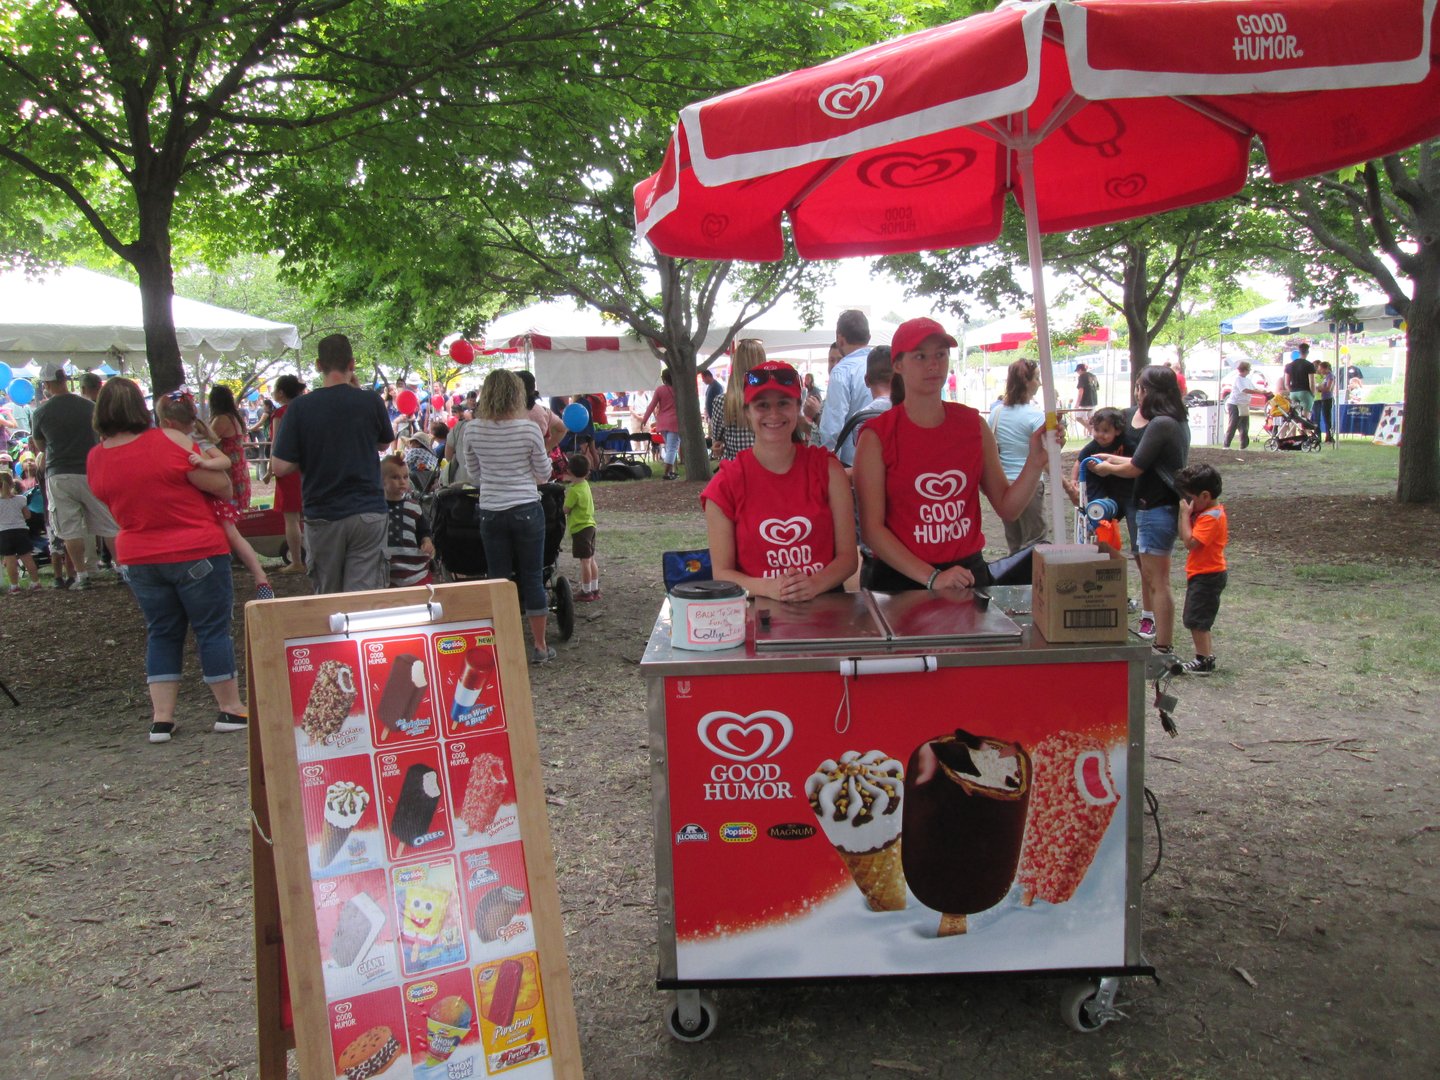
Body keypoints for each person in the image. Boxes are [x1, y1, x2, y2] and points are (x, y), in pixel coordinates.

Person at [87, 378, 247, 743]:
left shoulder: (96, 456)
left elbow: (104, 498)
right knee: (211, 628)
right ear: (140, 409)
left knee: (161, 631)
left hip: (138, 555)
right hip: (195, 549)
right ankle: (230, 708)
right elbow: (221, 485)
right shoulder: (168, 439)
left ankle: (162, 719)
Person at [854, 318, 1058, 592]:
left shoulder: (973, 425)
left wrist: (1035, 463)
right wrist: (932, 577)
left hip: (967, 575)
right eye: (920, 356)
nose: (933, 364)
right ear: (898, 365)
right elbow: (872, 530)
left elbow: (1008, 507)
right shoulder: (876, 435)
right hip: (901, 582)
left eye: (940, 354)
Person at [702, 360, 857, 601]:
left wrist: (815, 583)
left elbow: (848, 558)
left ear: (798, 407)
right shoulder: (726, 483)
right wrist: (769, 588)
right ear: (747, 412)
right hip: (758, 611)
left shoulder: (827, 469)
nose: (773, 414)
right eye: (762, 405)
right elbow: (722, 573)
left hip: (826, 607)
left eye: (783, 403)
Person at [271, 333, 395, 594]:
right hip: (367, 511)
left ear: (318, 365)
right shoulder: (370, 400)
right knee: (363, 598)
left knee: (329, 597)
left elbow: (279, 467)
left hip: (323, 512)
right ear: (352, 364)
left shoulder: (300, 408)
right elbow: (384, 444)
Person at [1088, 365, 1190, 654]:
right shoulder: (1172, 421)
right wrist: (1106, 456)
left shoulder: (1162, 424)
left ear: (1150, 391)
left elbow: (1135, 468)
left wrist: (1106, 467)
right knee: (1151, 578)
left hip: (1157, 509)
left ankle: (1163, 646)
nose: (1138, 394)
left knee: (1157, 581)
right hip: (1154, 508)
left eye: (1141, 388)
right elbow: (1140, 460)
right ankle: (1161, 641)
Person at [463, 369, 556, 665]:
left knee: (498, 578)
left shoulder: (473, 429)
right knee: (532, 577)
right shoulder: (528, 429)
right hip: (526, 507)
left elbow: (474, 474)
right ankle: (540, 646)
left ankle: (503, 644)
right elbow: (544, 473)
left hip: (491, 509)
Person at [156, 390, 274, 600]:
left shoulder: (196, 438)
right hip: (195, 498)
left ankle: (260, 577)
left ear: (167, 422)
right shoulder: (177, 438)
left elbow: (224, 461)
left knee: (233, 534)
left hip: (211, 497)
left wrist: (204, 463)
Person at [29, 361, 119, 588]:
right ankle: (122, 568)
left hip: (59, 473)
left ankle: (82, 575)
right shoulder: (89, 407)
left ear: (48, 384)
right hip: (90, 470)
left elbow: (40, 446)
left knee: (69, 528)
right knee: (107, 523)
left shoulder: (40, 412)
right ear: (65, 380)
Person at [988, 358, 1048, 554]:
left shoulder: (996, 413)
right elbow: (1044, 457)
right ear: (1026, 381)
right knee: (1036, 541)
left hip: (1006, 486)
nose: (1039, 382)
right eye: (1037, 377)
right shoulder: (1036, 415)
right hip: (1030, 485)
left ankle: (1014, 582)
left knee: (1014, 543)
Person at [1174, 463, 1228, 676]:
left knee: (1197, 619)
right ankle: (1204, 656)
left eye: (1191, 498)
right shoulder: (1208, 513)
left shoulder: (1210, 517)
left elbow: (1190, 541)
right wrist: (1185, 517)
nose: (1188, 503)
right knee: (1197, 617)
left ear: (1205, 496)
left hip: (1208, 574)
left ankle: (1204, 659)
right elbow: (1183, 536)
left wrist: (1185, 516)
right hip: (1202, 573)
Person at [1068, 407, 1132, 555]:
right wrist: (1073, 480)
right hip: (1096, 485)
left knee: (1112, 511)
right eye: (1096, 430)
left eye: (1105, 431)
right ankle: (1095, 532)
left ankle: (1107, 537)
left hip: (1117, 485)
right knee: (1096, 510)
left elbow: (1135, 461)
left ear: (1117, 431)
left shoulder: (1125, 443)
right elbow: (1079, 462)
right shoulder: (1092, 447)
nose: (1099, 435)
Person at [819, 309, 873, 465]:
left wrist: (829, 467)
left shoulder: (842, 371)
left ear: (840, 339)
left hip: (852, 463)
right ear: (868, 338)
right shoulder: (883, 365)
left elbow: (832, 429)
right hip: (887, 458)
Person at [267, 375, 307, 573]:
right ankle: (312, 557)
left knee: (291, 518)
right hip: (307, 467)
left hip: (287, 467)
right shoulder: (306, 409)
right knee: (308, 515)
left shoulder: (280, 413)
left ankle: (297, 561)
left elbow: (276, 445)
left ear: (281, 392)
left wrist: (270, 468)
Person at [381, 455, 434, 587]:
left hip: (415, 572)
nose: (402, 481)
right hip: (387, 573)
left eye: (405, 477)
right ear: (382, 481)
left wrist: (426, 541)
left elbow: (424, 530)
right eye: (395, 477)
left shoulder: (414, 507)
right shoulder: (377, 509)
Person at [708, 338, 764, 463]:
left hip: (735, 470)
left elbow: (717, 438)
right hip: (766, 469)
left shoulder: (722, 402)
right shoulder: (771, 402)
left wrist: (719, 444)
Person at [207, 385, 252, 512]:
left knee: (229, 507)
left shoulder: (222, 419)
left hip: (229, 469)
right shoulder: (233, 416)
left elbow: (207, 440)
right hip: (238, 465)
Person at [563, 453, 600, 601]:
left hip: (580, 528)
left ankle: (586, 591)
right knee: (591, 559)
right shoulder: (585, 485)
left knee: (584, 561)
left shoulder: (574, 490)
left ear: (570, 471)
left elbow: (566, 509)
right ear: (587, 471)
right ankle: (595, 588)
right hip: (590, 526)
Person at [0, 471, 42, 591]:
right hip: (20, 531)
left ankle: (14, 586)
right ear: (12, 484)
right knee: (27, 558)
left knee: (10, 560)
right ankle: (35, 582)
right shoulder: (21, 499)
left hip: (4, 532)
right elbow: (27, 515)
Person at [639, 368, 681, 480]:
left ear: (663, 379)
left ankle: (670, 471)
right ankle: (667, 473)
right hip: (675, 422)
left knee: (669, 447)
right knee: (672, 448)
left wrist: (644, 419)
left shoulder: (659, 390)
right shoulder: (679, 389)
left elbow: (652, 405)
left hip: (662, 422)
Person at [1223, 360, 1259, 449]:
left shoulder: (1247, 380)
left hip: (1244, 404)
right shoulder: (1237, 379)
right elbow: (1244, 390)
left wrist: (1263, 392)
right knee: (1233, 424)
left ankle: (1244, 446)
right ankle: (1226, 445)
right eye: (1249, 369)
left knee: (1244, 425)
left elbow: (1254, 388)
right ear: (1245, 370)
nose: (1250, 371)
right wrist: (1259, 392)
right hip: (1235, 404)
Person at [1283, 343, 1316, 416]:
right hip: (1305, 392)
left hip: (1293, 393)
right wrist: (1313, 394)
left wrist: (1291, 391)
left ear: (1299, 352)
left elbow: (1286, 384)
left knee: (1294, 416)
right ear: (1307, 352)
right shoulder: (1309, 365)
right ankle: (1304, 427)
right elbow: (1312, 383)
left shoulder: (1289, 365)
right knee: (1305, 417)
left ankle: (1293, 427)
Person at [1313, 360, 1336, 443]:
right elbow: (1323, 386)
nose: (1320, 371)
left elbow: (1328, 388)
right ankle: (1324, 436)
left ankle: (1329, 436)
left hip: (1327, 399)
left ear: (1326, 368)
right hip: (1323, 399)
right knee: (1323, 418)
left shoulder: (1330, 376)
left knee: (1327, 418)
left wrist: (1319, 388)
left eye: (1321, 369)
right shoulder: (1326, 377)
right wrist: (1320, 388)